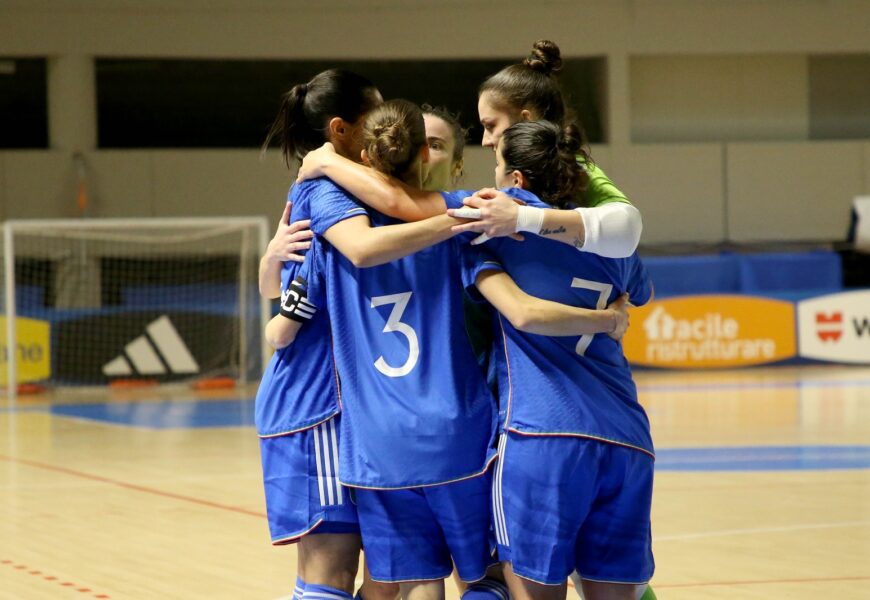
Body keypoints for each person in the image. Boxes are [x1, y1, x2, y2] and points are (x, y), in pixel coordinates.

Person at [266, 99, 631, 600]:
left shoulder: (334, 227)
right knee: (488, 575)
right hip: (463, 433)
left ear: (367, 156)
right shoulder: (474, 225)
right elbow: (525, 300)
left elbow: (281, 326)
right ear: (421, 155)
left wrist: (322, 168)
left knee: (407, 578)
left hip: (375, 441)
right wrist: (608, 317)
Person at [476, 118, 656, 600]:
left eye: (496, 161)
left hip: (544, 431)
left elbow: (523, 314)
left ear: (517, 179)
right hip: (627, 438)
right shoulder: (611, 240)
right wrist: (610, 315)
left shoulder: (497, 220)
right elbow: (640, 291)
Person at [254, 67, 399, 600]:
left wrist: (271, 265)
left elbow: (275, 278)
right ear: (341, 129)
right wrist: (282, 306)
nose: (388, 129)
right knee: (331, 566)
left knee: (390, 571)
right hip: (315, 398)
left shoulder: (332, 184)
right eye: (375, 118)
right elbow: (287, 299)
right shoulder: (323, 189)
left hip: (358, 404)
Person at [452, 39, 643, 258]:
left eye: (490, 126)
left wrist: (521, 218)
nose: (486, 140)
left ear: (526, 120)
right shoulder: (506, 177)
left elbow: (627, 229)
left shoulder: (573, 169)